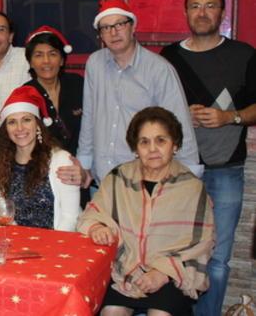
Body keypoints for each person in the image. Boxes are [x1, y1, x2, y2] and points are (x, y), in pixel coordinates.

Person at [159, 0, 256, 316]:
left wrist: (231, 117)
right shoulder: (169, 57)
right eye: (196, 6)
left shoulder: (243, 55)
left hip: (226, 170)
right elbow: (155, 114)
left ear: (222, 12)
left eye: (210, 6)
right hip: (179, 172)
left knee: (217, 258)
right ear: (186, 12)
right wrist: (179, 115)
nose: (203, 13)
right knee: (175, 252)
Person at [77, 107, 214, 316]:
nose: (152, 149)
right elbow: (93, 212)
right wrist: (97, 226)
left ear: (174, 145)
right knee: (111, 311)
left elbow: (202, 243)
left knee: (159, 314)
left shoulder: (191, 187)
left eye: (161, 140)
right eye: (144, 142)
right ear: (135, 148)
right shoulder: (119, 177)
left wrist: (164, 272)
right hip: (124, 269)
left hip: (171, 275)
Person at [77, 0, 202, 189]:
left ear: (132, 26)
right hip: (102, 179)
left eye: (119, 24)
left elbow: (179, 123)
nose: (113, 32)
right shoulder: (95, 64)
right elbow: (89, 117)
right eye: (106, 27)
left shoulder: (159, 69)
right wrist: (84, 164)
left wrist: (188, 179)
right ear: (100, 34)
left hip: (144, 182)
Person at [0, 86, 80, 231]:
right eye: (12, 122)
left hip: (56, 244)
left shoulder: (60, 160)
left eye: (26, 120)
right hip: (16, 244)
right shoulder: (0, 162)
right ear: (5, 129)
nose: (20, 128)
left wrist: (51, 249)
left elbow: (70, 218)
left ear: (37, 124)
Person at [23, 26, 83, 155]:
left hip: (81, 164)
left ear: (61, 60)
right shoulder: (24, 94)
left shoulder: (78, 84)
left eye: (52, 54)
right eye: (38, 55)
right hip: (41, 166)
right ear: (31, 62)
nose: (46, 61)